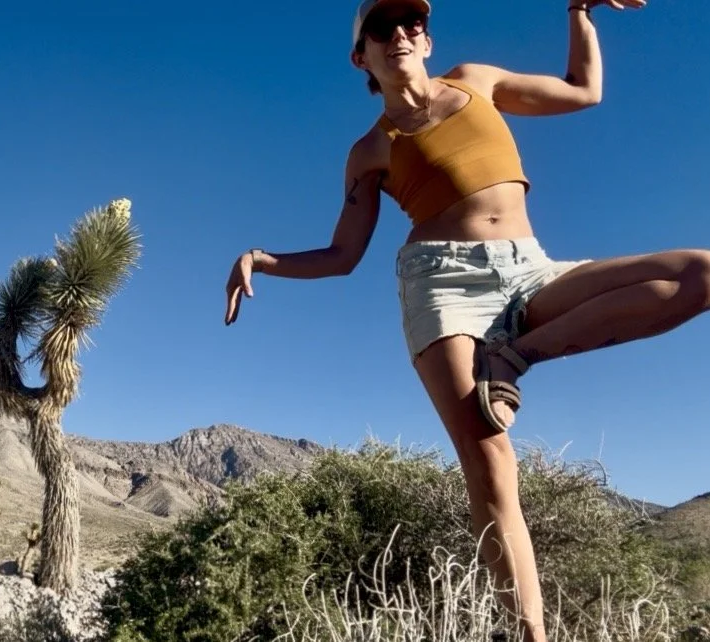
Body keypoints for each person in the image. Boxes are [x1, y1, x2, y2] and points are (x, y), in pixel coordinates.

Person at [223, 0, 709, 640]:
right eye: (381, 27)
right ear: (360, 56)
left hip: (531, 267)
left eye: (412, 24)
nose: (400, 32)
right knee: (488, 458)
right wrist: (262, 259)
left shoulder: (475, 79)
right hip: (441, 284)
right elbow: (343, 256)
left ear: (426, 40)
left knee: (697, 273)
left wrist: (578, 11)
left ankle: (516, 354)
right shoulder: (371, 151)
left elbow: (584, 91)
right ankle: (531, 633)